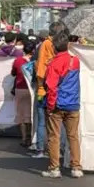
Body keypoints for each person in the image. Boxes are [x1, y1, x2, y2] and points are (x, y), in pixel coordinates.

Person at [41, 31, 83, 179]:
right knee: (73, 136)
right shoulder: (75, 61)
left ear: (54, 47)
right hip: (73, 104)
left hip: (58, 105)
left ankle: (54, 168)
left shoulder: (53, 64)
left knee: (54, 137)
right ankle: (76, 167)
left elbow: (51, 88)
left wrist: (50, 107)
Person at [32, 22, 65, 160]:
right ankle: (58, 151)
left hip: (43, 88)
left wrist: (40, 85)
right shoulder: (63, 46)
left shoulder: (45, 45)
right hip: (57, 88)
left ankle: (41, 150)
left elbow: (40, 68)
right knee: (57, 123)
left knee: (42, 122)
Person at [12, 37, 36, 148]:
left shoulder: (18, 61)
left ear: (23, 50)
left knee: (21, 114)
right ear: (33, 51)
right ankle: (30, 138)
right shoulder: (34, 62)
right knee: (30, 114)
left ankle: (23, 138)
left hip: (19, 89)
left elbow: (13, 73)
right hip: (31, 89)